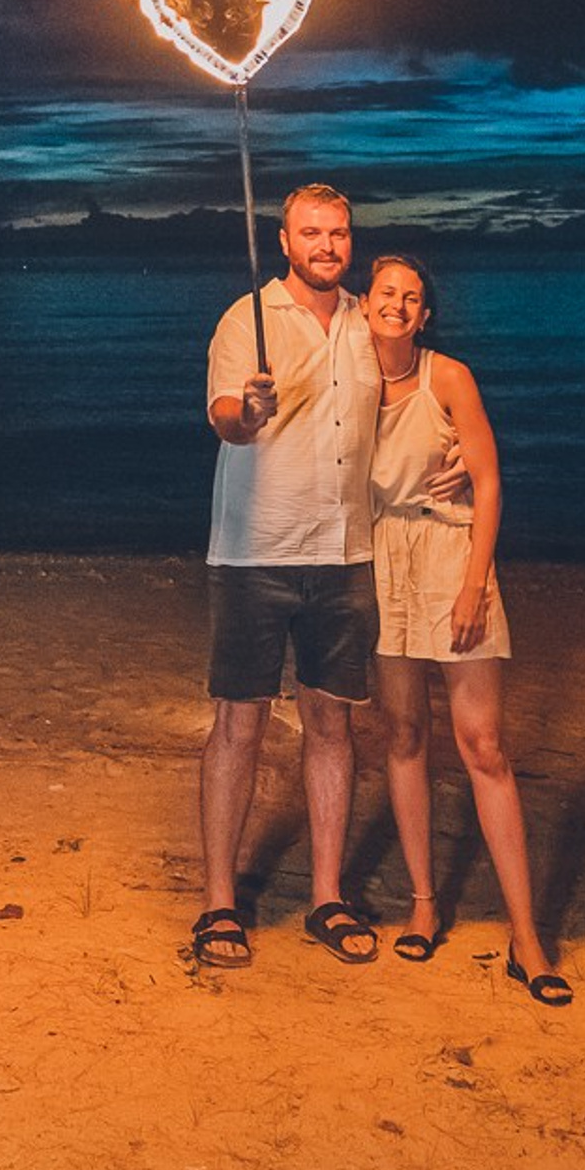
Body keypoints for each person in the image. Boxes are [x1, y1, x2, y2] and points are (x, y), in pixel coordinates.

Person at [362, 251, 572, 1006]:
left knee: (483, 744)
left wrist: (474, 582)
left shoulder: (447, 377)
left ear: (425, 315)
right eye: (386, 292)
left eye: (411, 297)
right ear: (364, 303)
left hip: (451, 552)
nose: (398, 304)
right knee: (404, 735)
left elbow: (487, 482)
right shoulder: (345, 382)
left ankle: (527, 936)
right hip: (382, 560)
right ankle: (424, 902)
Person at [190, 181, 384, 971]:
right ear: (285, 242)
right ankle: (217, 904)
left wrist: (454, 462)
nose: (327, 247)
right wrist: (251, 412)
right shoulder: (249, 320)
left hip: (346, 552)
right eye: (312, 234)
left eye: (338, 234)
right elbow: (226, 419)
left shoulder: (370, 325)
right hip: (256, 553)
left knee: (331, 725)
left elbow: (408, 402)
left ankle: (327, 897)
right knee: (240, 725)